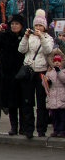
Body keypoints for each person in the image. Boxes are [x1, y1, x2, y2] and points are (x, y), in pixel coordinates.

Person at [18, 9, 54, 138]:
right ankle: (29, 129)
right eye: (36, 25)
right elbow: (21, 50)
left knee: (41, 102)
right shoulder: (29, 37)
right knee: (28, 102)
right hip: (29, 71)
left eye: (40, 25)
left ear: (44, 27)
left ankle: (41, 128)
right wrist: (25, 36)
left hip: (41, 71)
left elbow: (48, 50)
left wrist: (41, 37)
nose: (38, 28)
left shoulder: (48, 38)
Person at [0, 13, 27, 135]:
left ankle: (23, 127)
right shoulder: (5, 35)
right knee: (11, 102)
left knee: (22, 102)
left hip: (21, 72)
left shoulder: (25, 36)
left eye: (16, 24)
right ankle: (14, 127)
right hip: (8, 73)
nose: (14, 26)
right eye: (12, 24)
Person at [44, 52, 65, 137]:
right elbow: (45, 82)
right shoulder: (50, 71)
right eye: (55, 61)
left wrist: (58, 71)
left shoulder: (63, 71)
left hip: (61, 95)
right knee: (54, 116)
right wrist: (47, 81)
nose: (57, 63)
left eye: (58, 61)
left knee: (62, 116)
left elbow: (63, 79)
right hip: (52, 95)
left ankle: (62, 131)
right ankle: (56, 130)